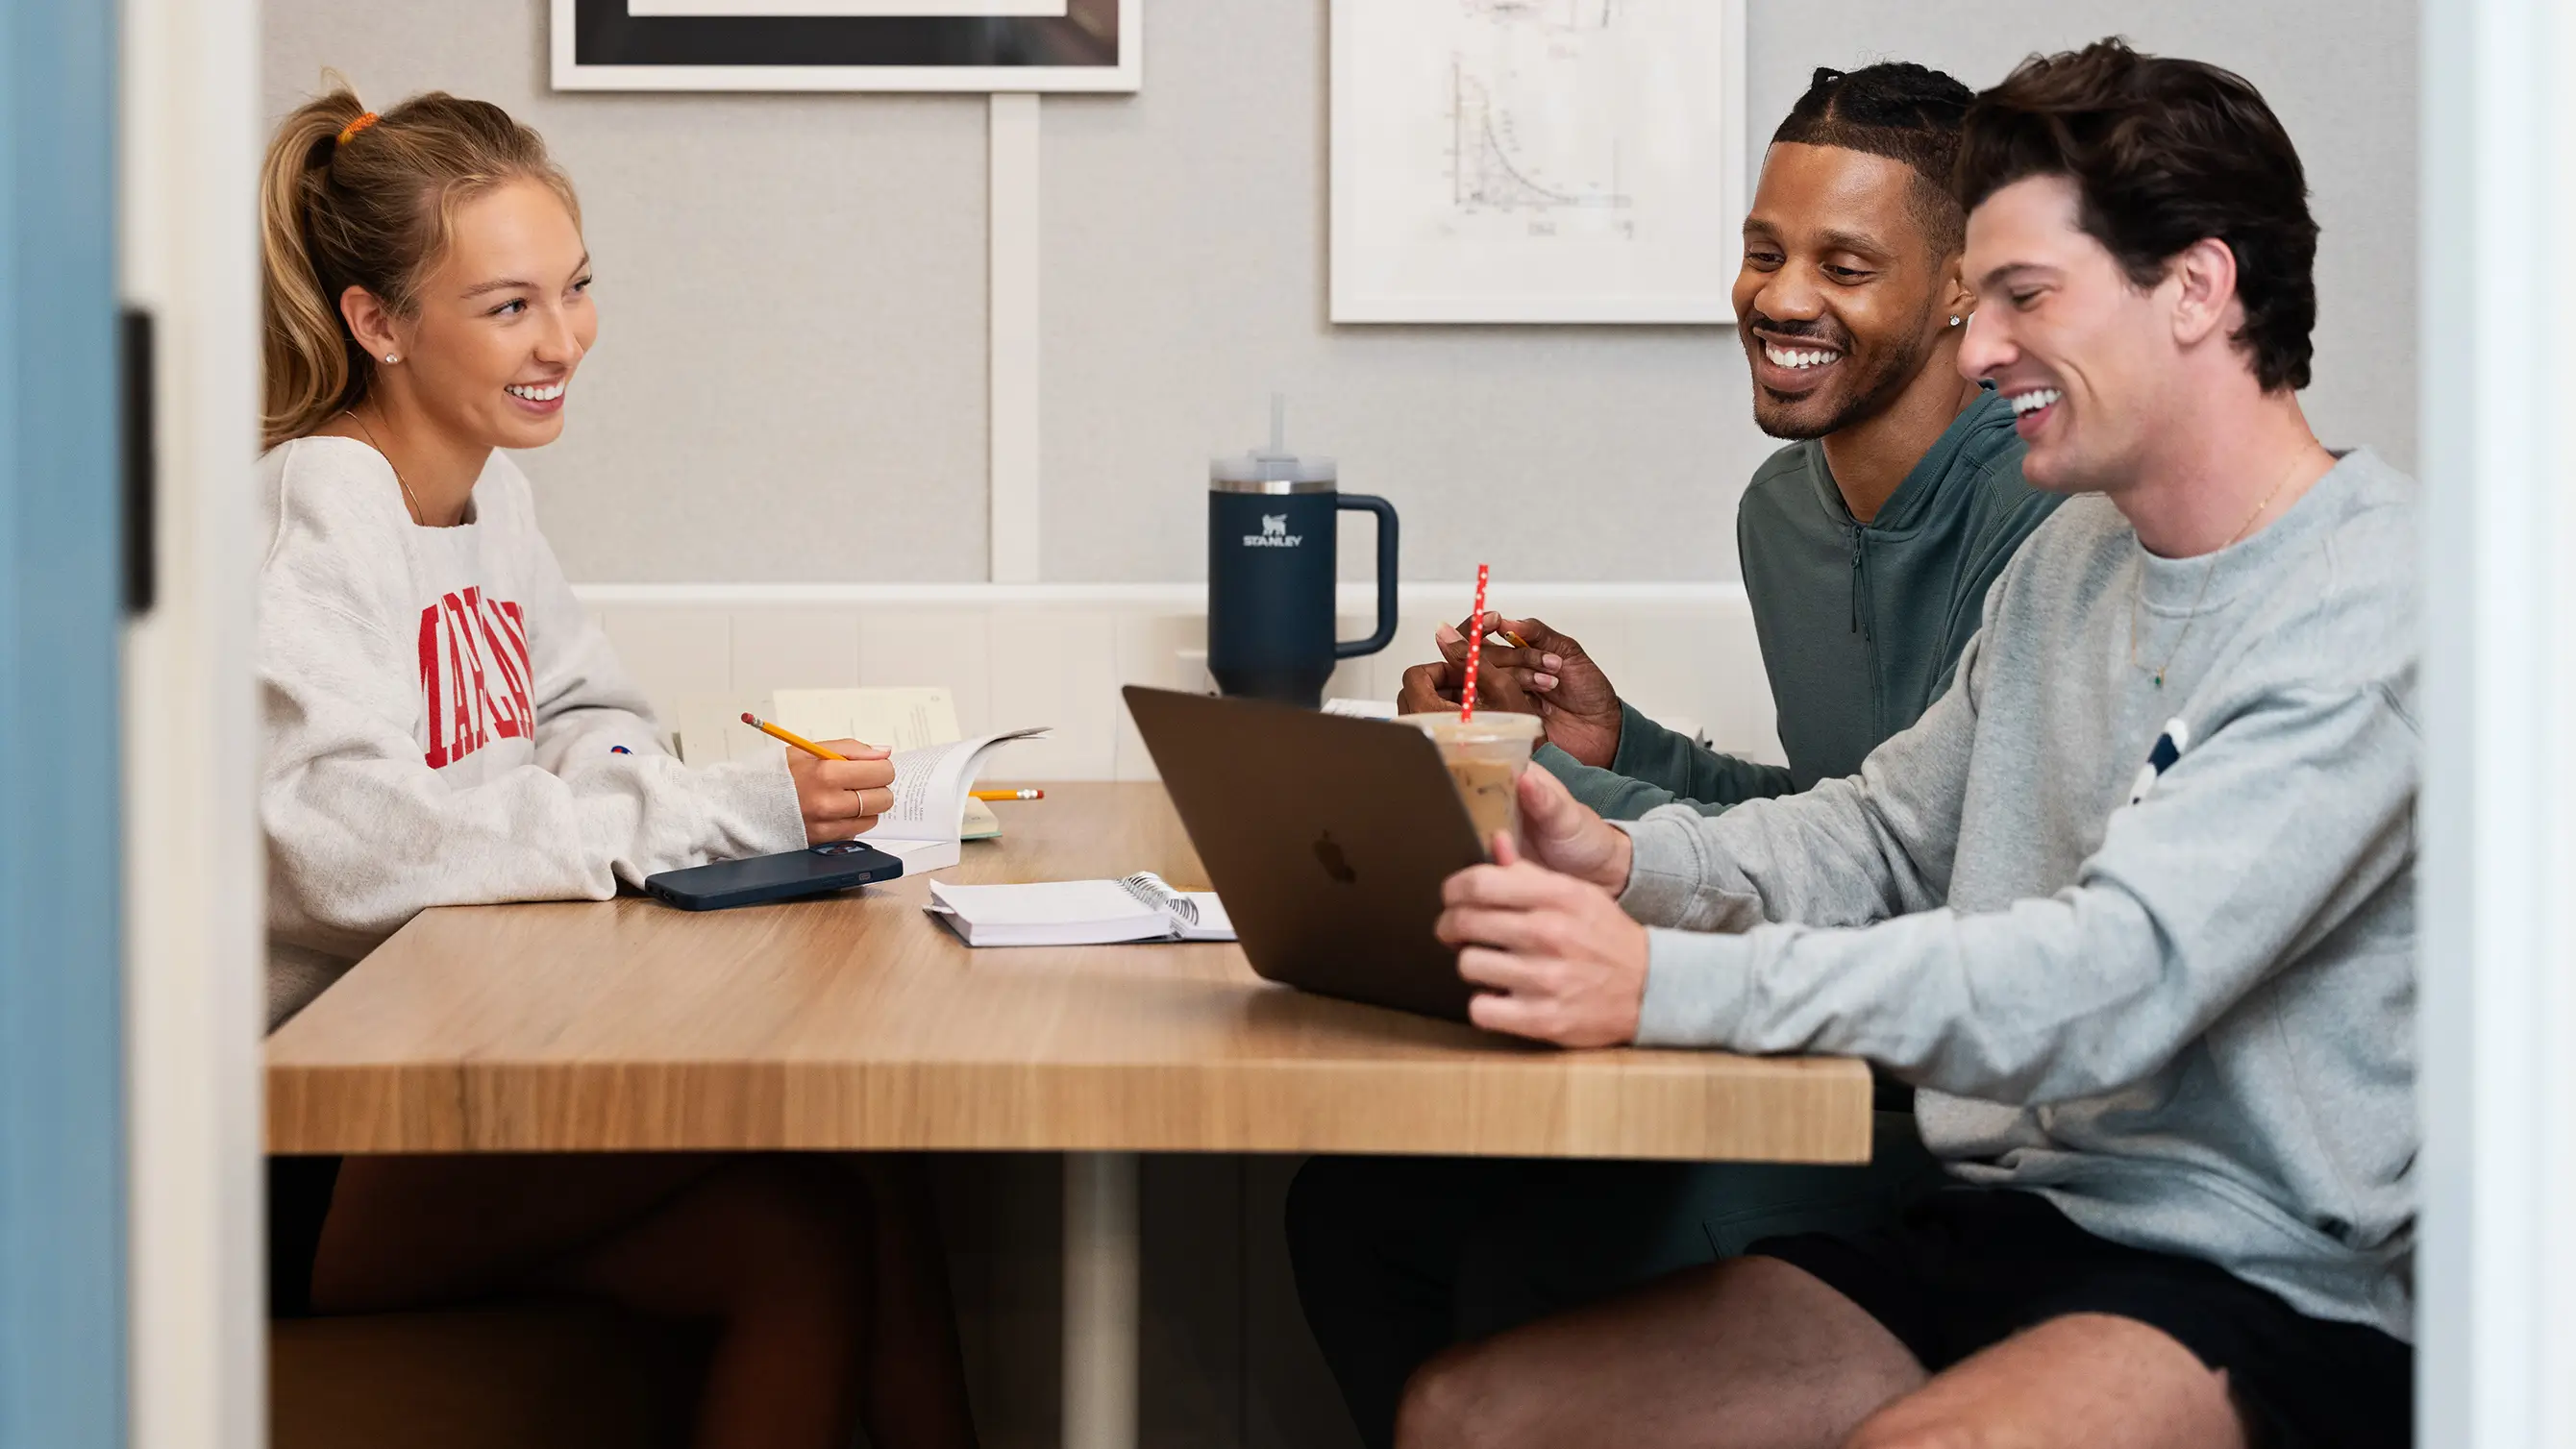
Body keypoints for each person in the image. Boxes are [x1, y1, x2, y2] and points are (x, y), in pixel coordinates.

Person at [1404, 40, 2415, 1449]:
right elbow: (1881, 832)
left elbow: (2109, 978)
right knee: (1472, 1414)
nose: (1981, 348)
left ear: (2195, 288)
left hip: (2270, 1278)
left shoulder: (2381, 605)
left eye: (2024, 297)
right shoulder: (2074, 559)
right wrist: (1626, 855)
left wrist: (1665, 983)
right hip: (2017, 1217)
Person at [1292, 64, 2060, 1448]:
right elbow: (1854, 822)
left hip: (1925, 1111)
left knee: (1519, 1269)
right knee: (1354, 1209)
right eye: (1763, 252)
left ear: (1963, 289)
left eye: (1843, 262)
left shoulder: (2048, 517)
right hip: (1797, 1037)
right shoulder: (1784, 511)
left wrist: (1562, 788)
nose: (1777, 297)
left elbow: (1941, 883)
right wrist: (1622, 744)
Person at [257, 87, 978, 1449]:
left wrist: (628, 778)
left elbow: (597, 712)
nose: (564, 341)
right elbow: (354, 847)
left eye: (575, 290)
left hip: (442, 1064)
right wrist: (713, 811)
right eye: (509, 306)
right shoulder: (316, 510)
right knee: (838, 1164)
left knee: (821, 1225)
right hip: (290, 1138)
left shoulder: (487, 491)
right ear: (378, 322)